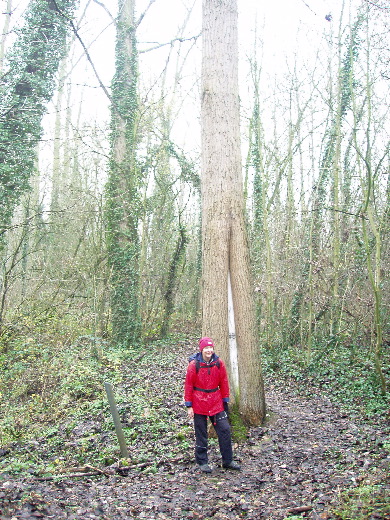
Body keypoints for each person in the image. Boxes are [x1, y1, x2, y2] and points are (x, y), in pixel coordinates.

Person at [184, 336, 241, 473]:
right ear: (202, 349)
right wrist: (189, 405)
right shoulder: (194, 365)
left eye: (210, 348)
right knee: (201, 433)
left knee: (225, 430)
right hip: (199, 402)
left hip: (216, 402)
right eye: (206, 348)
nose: (209, 350)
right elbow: (189, 385)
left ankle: (227, 460)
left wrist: (225, 400)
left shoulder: (218, 363)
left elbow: (224, 382)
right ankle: (202, 462)